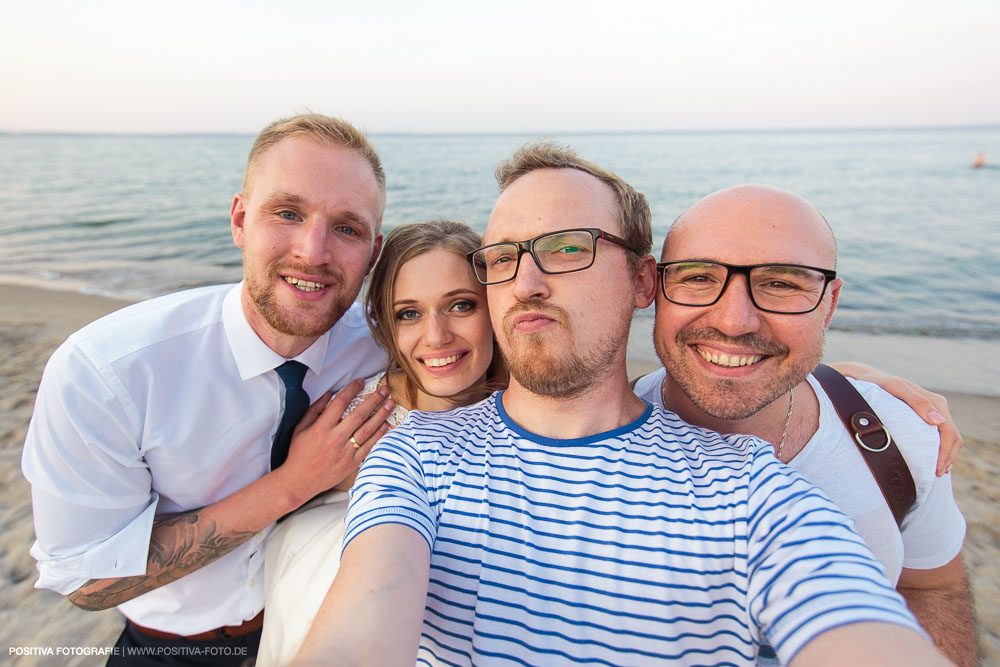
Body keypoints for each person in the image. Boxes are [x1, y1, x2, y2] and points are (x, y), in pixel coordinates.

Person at [295, 144, 950, 665]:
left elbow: (849, 615)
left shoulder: (745, 485)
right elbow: (363, 619)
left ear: (643, 281)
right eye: (502, 257)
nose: (526, 283)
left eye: (567, 248)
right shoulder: (416, 457)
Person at [21, 113, 397, 665]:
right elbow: (86, 580)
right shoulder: (107, 373)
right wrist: (294, 483)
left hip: (313, 630)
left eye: (347, 228)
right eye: (287, 213)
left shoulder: (394, 348)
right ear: (241, 220)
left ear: (374, 251)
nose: (314, 251)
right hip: (170, 650)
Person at [633, 184, 974, 665]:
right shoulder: (584, 440)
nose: (734, 321)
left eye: (781, 284)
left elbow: (932, 586)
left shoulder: (902, 435)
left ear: (829, 304)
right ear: (652, 288)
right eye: (697, 277)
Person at [257, 220, 504, 665]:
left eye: (462, 305)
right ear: (386, 324)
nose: (436, 336)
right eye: (409, 313)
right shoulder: (361, 419)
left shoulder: (531, 405)